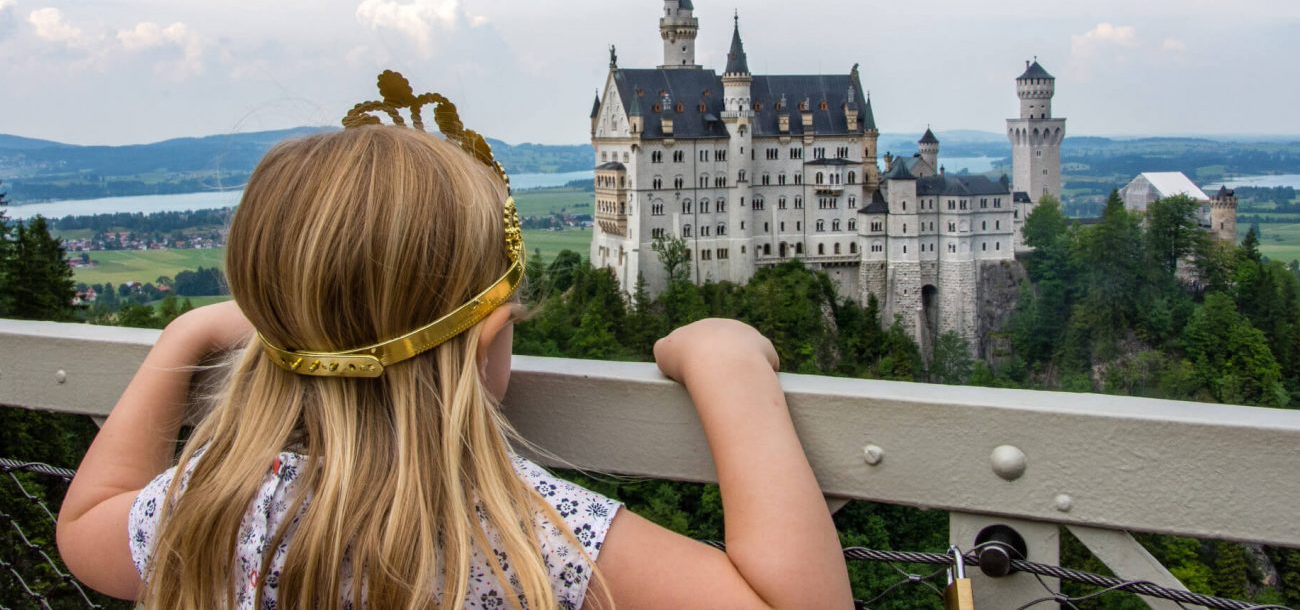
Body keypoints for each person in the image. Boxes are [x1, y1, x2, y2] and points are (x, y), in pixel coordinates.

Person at [56, 74, 853, 610]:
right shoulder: (514, 533)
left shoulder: (222, 506)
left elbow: (85, 522)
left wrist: (189, 329)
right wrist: (732, 371)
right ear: (487, 341)